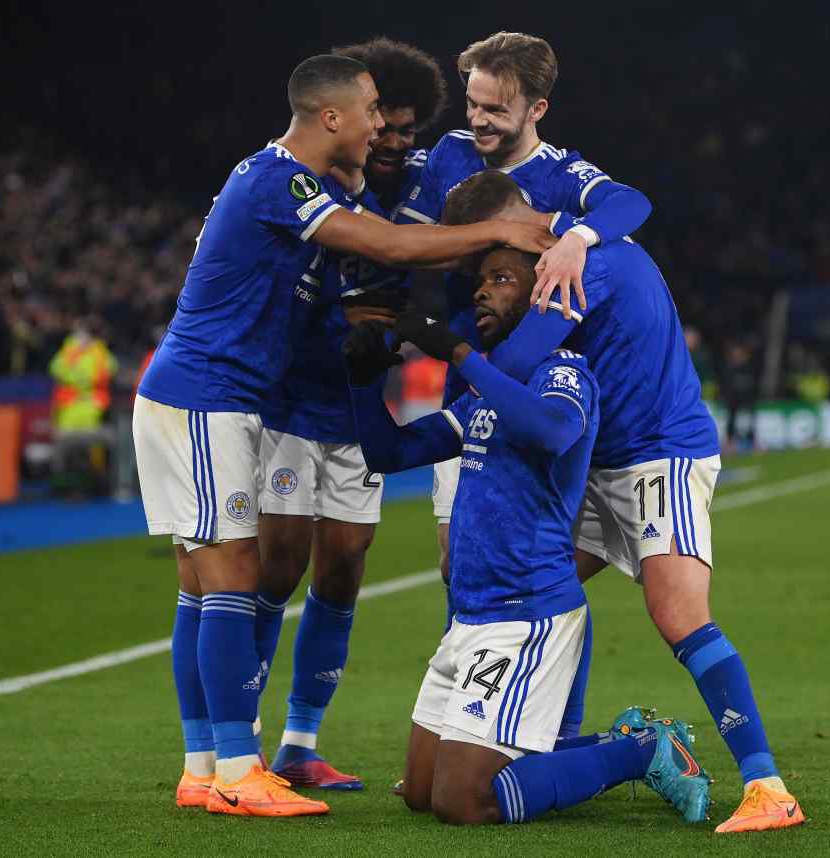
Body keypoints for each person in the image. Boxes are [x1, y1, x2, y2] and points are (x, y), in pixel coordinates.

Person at [133, 53, 555, 819]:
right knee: (229, 578)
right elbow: (388, 248)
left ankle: (206, 768)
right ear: (330, 117)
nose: (380, 126)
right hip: (206, 395)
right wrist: (499, 229)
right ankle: (237, 768)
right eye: (368, 111)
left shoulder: (306, 184)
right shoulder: (280, 180)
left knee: (204, 586)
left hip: (216, 399)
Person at [441, 171, 806, 833]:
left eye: (486, 244)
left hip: (656, 455)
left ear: (514, 221)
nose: (480, 263)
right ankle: (545, 742)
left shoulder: (585, 262)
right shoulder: (569, 250)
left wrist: (447, 343)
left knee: (678, 614)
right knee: (532, 578)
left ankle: (767, 785)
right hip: (600, 459)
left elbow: (518, 358)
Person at [342, 247, 711, 826]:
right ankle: (619, 743)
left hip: (527, 613)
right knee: (421, 791)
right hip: (470, 617)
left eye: (502, 279)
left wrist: (459, 354)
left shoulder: (564, 372)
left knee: (462, 802)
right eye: (478, 283)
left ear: (540, 296)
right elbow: (389, 452)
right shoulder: (490, 389)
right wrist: (364, 380)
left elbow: (550, 429)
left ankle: (644, 750)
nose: (481, 292)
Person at [392, 36, 652, 719]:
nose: (477, 120)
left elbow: (631, 206)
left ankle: (555, 727)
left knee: (548, 575)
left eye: (495, 109)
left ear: (536, 107)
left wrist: (577, 235)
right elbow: (407, 241)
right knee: (462, 565)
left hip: (541, 395)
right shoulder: (445, 155)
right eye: (472, 102)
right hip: (466, 384)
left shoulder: (564, 175)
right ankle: (466, 716)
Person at [255, 38, 449, 791]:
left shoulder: (424, 186)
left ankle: (302, 741)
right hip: (291, 399)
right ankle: (245, 741)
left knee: (343, 567)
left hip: (360, 405)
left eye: (407, 130)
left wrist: (395, 331)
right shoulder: (318, 181)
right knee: (277, 566)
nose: (395, 142)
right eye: (386, 126)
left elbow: (426, 284)